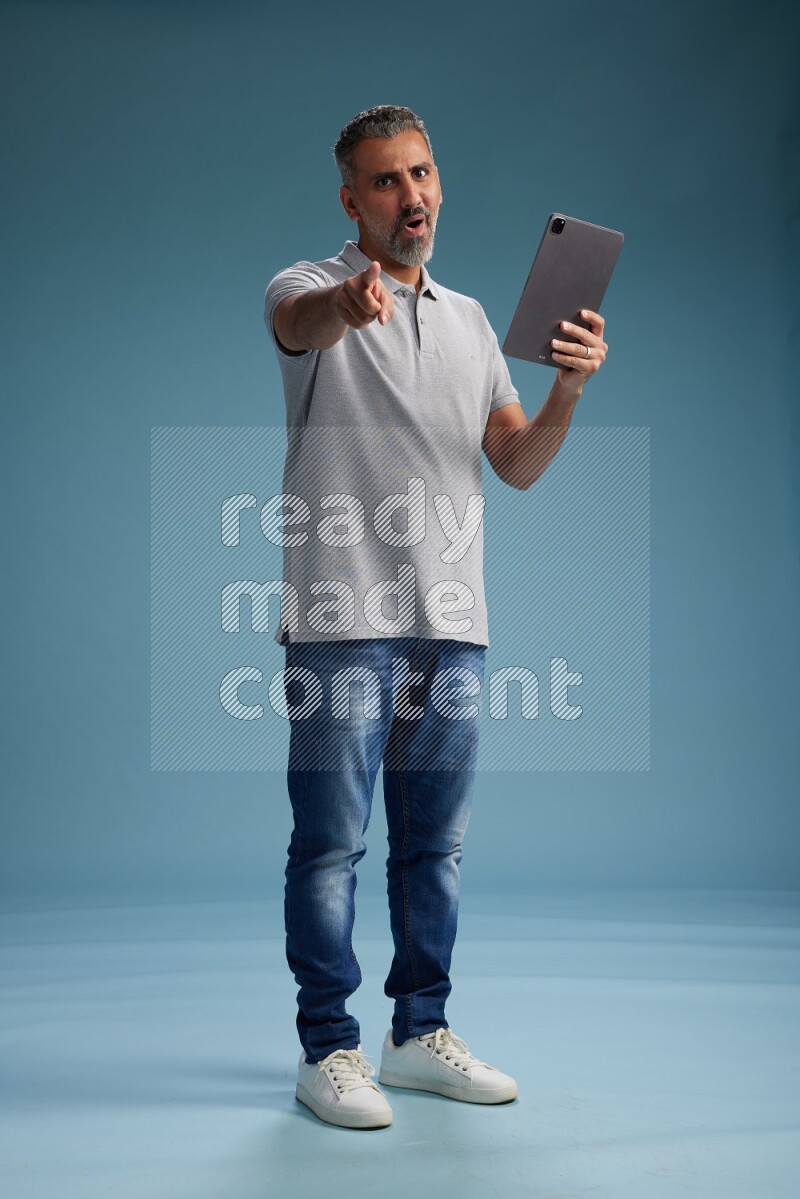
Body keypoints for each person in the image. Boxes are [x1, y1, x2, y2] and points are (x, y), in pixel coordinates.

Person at [263, 105, 608, 1130]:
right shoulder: (304, 289)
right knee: (329, 844)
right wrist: (344, 300)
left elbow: (514, 464)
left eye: (419, 174)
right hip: (340, 616)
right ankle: (328, 1047)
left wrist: (568, 391)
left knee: (434, 847)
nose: (408, 196)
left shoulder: (467, 324)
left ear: (438, 183)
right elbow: (301, 324)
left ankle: (418, 1033)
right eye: (383, 182)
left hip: (451, 620)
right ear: (350, 201)